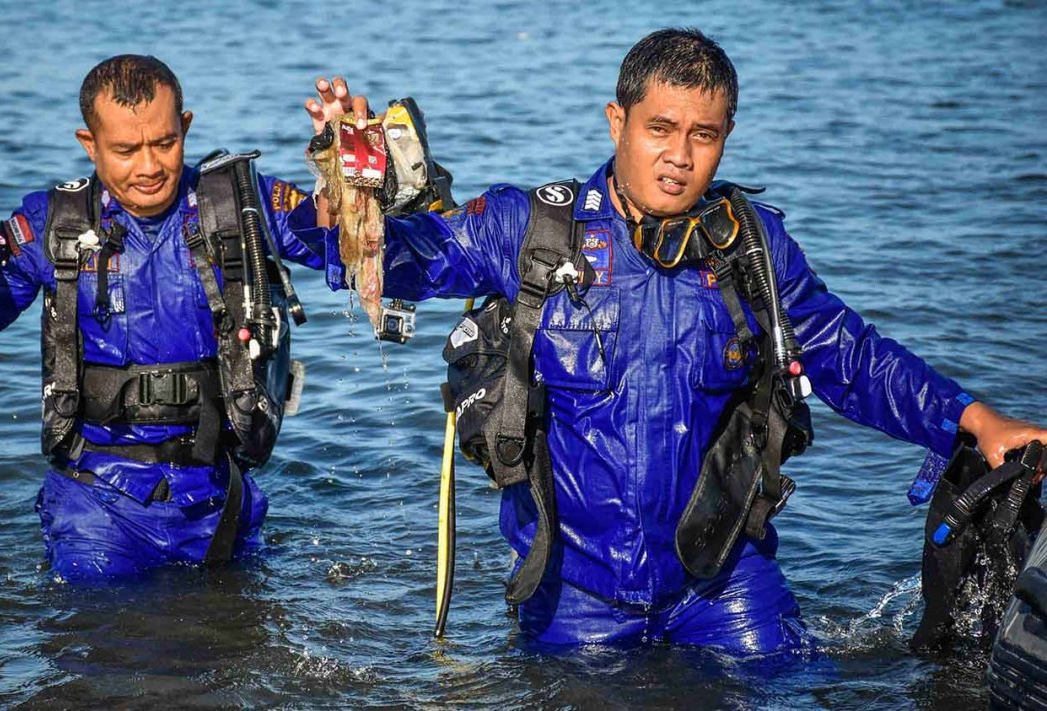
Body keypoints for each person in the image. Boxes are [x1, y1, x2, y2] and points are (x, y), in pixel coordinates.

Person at [304, 30, 1047, 653]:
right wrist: (344, 190)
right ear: (616, 122)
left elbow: (850, 355)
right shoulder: (529, 231)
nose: (679, 157)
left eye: (703, 135)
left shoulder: (753, 249)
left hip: (723, 582)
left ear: (725, 138)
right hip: (575, 591)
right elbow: (398, 257)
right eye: (659, 128)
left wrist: (972, 418)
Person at [0, 55, 343, 582]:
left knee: (237, 630)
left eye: (165, 143)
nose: (148, 167)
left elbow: (351, 250)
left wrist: (345, 169)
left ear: (185, 127)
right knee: (100, 625)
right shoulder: (51, 224)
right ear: (89, 144)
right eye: (125, 150)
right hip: (95, 504)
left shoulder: (241, 205)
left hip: (218, 499)